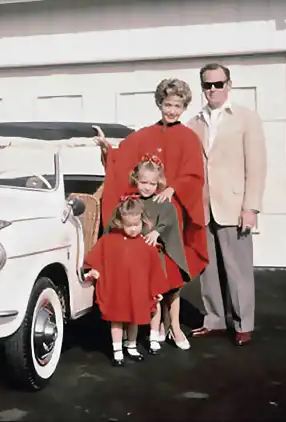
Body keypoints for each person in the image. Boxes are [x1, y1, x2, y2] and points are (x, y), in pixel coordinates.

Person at [94, 78, 209, 347]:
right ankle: (150, 325)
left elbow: (194, 174)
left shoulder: (189, 138)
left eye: (177, 106)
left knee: (173, 275)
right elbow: (122, 159)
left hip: (171, 214)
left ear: (184, 107)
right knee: (149, 271)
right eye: (167, 104)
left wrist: (174, 188)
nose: (171, 110)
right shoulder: (144, 135)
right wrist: (106, 148)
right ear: (160, 103)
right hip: (146, 215)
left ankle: (175, 327)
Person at [186, 63, 267, 346]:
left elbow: (256, 166)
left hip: (234, 206)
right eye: (207, 85)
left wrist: (251, 207)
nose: (212, 90)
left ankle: (244, 324)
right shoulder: (193, 122)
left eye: (218, 84)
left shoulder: (246, 118)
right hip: (203, 206)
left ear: (228, 85)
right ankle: (215, 320)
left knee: (238, 269)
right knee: (208, 269)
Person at [106, 154, 192, 351]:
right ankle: (155, 328)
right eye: (143, 182)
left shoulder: (162, 201)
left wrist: (157, 231)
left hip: (160, 253)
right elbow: (116, 222)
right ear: (136, 179)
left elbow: (170, 218)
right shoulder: (130, 201)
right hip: (140, 257)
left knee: (172, 290)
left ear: (158, 183)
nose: (147, 187)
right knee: (153, 294)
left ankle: (175, 327)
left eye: (152, 183)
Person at [84, 196, 167, 366]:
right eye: (129, 226)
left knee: (134, 319)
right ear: (120, 222)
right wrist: (93, 269)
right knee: (117, 319)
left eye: (137, 225)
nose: (133, 229)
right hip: (118, 289)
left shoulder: (146, 245)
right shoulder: (109, 241)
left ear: (142, 221)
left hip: (137, 289)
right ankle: (117, 350)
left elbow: (154, 269)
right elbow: (97, 257)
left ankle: (131, 345)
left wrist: (156, 290)